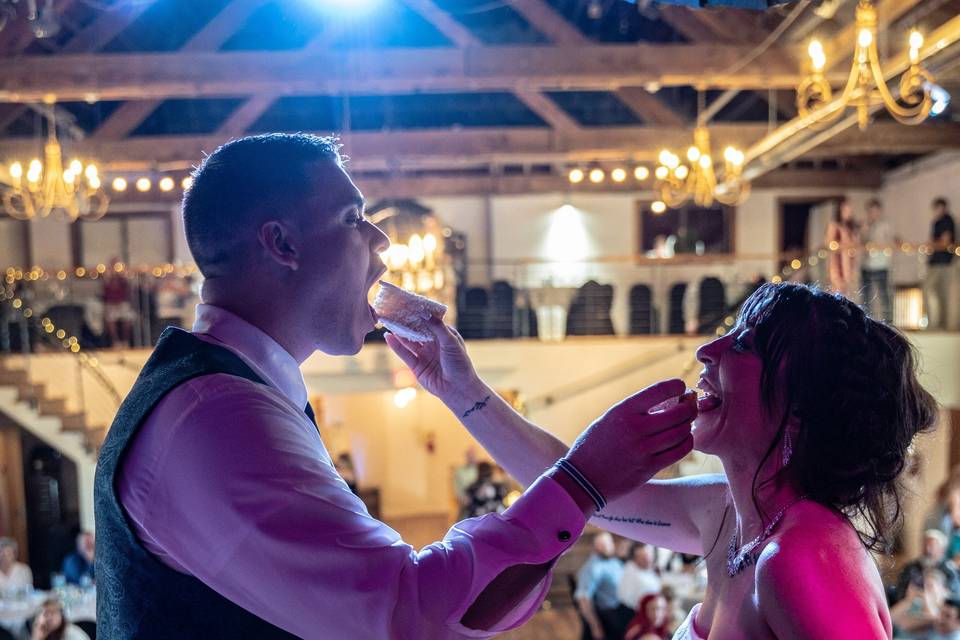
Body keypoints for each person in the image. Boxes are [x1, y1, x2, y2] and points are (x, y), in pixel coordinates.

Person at [95, 133, 695, 639]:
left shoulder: (229, 390)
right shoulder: (217, 414)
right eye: (353, 219)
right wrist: (581, 481)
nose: (381, 243)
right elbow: (409, 616)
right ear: (282, 243)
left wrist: (468, 396)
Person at [399, 281, 938, 638]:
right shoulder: (733, 515)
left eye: (743, 346)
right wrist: (460, 389)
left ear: (798, 409)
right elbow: (582, 489)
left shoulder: (802, 557)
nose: (708, 350)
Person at [575, 532, 625, 640]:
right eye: (602, 545)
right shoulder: (593, 568)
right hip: (608, 615)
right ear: (596, 547)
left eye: (609, 543)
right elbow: (583, 599)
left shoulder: (613, 561)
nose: (607, 547)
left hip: (621, 607)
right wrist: (595, 626)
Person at [897, 530, 960, 601]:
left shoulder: (948, 569)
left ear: (941, 550)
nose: (927, 549)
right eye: (925, 545)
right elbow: (901, 592)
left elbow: (955, 595)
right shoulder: (911, 567)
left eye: (932, 546)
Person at [925, 197, 957, 331]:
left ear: (942, 207)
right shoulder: (938, 221)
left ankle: (940, 325)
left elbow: (945, 241)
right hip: (938, 262)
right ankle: (941, 325)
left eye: (937, 208)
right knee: (940, 293)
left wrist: (931, 245)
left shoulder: (946, 220)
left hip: (944, 262)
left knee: (936, 291)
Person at [860, 198, 895, 322]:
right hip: (866, 265)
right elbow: (861, 241)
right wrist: (864, 230)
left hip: (881, 265)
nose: (872, 213)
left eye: (875, 210)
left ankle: (889, 323)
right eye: (870, 211)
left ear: (879, 211)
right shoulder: (865, 224)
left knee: (884, 295)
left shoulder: (885, 225)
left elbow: (891, 242)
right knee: (866, 296)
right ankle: (867, 321)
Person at [891, 570, 948, 638]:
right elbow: (893, 619)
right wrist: (909, 599)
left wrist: (926, 600)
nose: (925, 589)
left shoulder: (946, 609)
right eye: (923, 585)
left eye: (930, 585)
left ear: (943, 589)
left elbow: (934, 618)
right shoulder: (917, 604)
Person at [825, 197, 860, 297]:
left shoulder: (850, 227)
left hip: (849, 263)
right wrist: (845, 245)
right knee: (836, 291)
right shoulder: (834, 225)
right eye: (846, 209)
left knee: (846, 292)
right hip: (837, 262)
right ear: (840, 210)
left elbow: (855, 244)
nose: (849, 212)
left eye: (850, 209)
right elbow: (829, 243)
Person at [617, 542, 662, 616]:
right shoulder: (630, 569)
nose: (647, 560)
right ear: (635, 558)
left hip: (651, 610)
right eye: (643, 557)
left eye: (648, 556)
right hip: (633, 612)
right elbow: (626, 599)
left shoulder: (650, 570)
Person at [102, 258, 132, 348]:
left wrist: (122, 275)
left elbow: (128, 287)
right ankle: (116, 341)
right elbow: (104, 288)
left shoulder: (123, 275)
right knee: (111, 322)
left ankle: (125, 341)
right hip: (111, 302)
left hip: (122, 302)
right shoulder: (107, 275)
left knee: (127, 321)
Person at [453, 447, 479, 519]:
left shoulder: (480, 469)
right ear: (466, 456)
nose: (472, 457)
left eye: (473, 455)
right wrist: (463, 499)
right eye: (469, 455)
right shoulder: (459, 471)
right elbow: (457, 490)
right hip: (465, 503)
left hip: (480, 503)